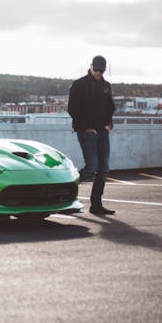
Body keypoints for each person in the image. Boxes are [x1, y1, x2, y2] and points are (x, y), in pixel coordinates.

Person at [68, 55, 116, 215]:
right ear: (91, 66)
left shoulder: (106, 86)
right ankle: (66, 187)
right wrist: (86, 127)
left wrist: (109, 124)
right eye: (96, 70)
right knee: (91, 168)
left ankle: (96, 205)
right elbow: (73, 109)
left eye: (101, 71)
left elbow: (110, 107)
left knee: (104, 169)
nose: (98, 73)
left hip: (103, 131)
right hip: (87, 132)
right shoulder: (79, 84)